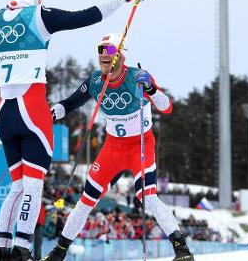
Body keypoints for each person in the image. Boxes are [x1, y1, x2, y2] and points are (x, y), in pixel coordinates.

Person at [0, 0, 150, 261]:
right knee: (32, 184)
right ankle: (22, 248)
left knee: (15, 185)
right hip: (33, 110)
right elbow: (90, 15)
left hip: (5, 112)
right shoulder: (40, 16)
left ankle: (1, 247)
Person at [42, 33, 195, 261]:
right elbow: (70, 103)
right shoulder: (95, 81)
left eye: (110, 50)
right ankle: (59, 251)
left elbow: (167, 107)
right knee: (86, 200)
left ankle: (181, 249)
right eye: (101, 49)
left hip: (139, 146)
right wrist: (50, 114)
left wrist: (151, 89)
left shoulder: (136, 77)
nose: (104, 54)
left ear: (122, 56)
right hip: (113, 148)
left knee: (148, 198)